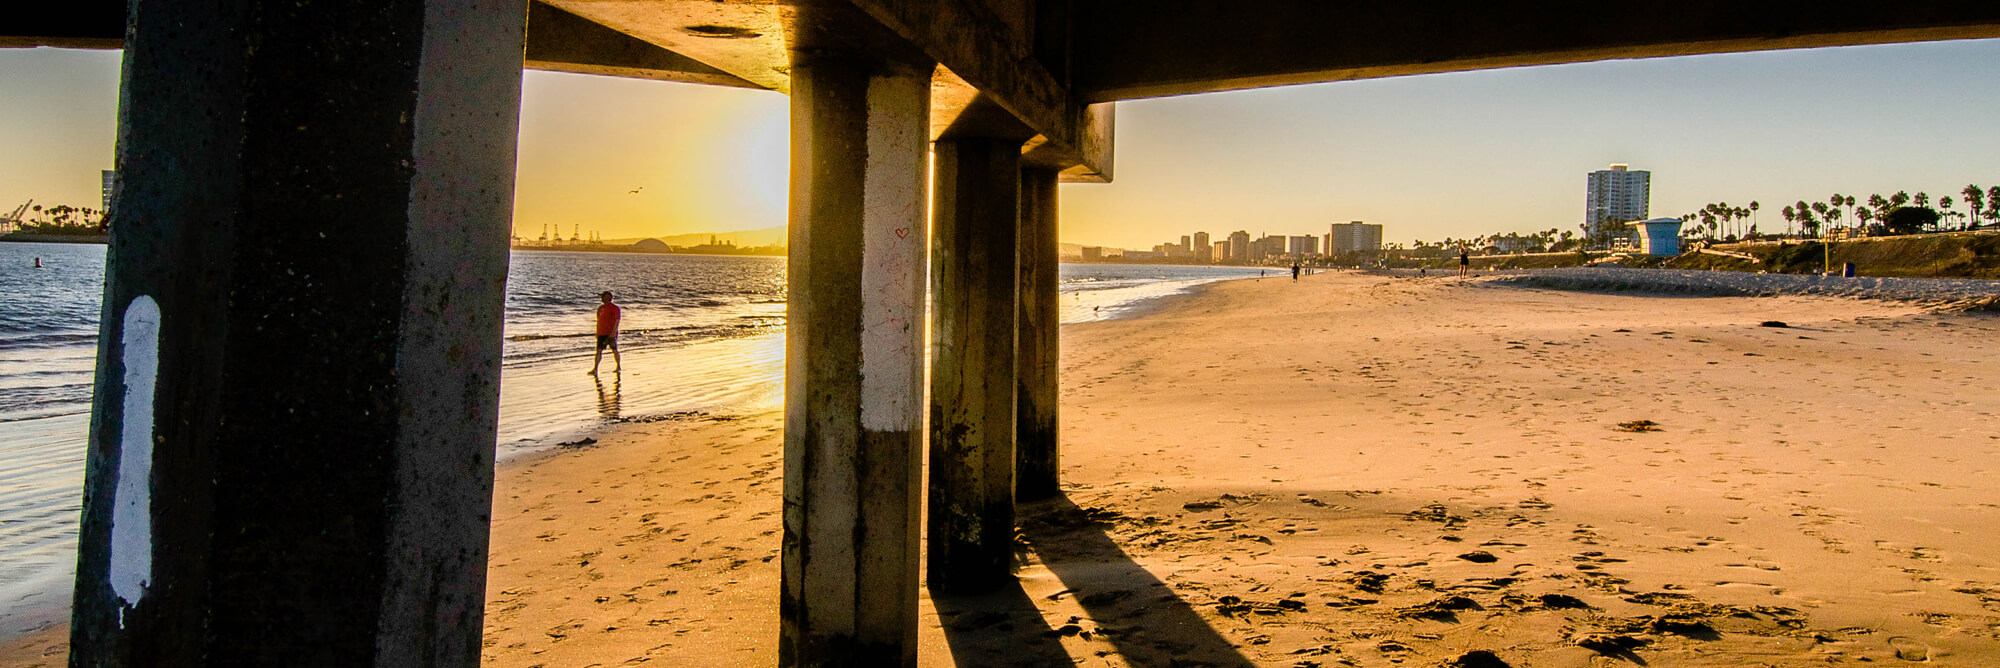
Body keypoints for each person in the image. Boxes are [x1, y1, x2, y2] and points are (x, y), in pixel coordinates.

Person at [589, 291, 622, 375]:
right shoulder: (600, 308)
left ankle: (618, 366)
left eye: (607, 297)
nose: (605, 299)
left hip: (610, 332)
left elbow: (617, 320)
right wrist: (597, 332)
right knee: (599, 350)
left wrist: (614, 331)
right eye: (603, 297)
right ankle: (595, 368)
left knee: (614, 350)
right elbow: (598, 320)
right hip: (601, 332)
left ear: (610, 298)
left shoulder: (615, 308)